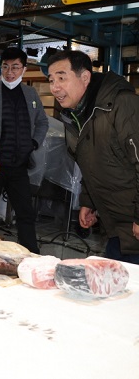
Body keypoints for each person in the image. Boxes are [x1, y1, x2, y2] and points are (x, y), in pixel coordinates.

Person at [48, 50, 139, 264]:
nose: (55, 87)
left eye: (62, 78)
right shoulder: (75, 116)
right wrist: (89, 201)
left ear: (85, 77)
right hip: (114, 223)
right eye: (51, 80)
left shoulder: (123, 105)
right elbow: (90, 162)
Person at [0, 47, 49, 253]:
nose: (10, 72)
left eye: (15, 67)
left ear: (24, 69)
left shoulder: (31, 93)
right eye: (6, 67)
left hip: (19, 166)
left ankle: (31, 256)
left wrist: (33, 143)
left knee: (25, 214)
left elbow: (42, 122)